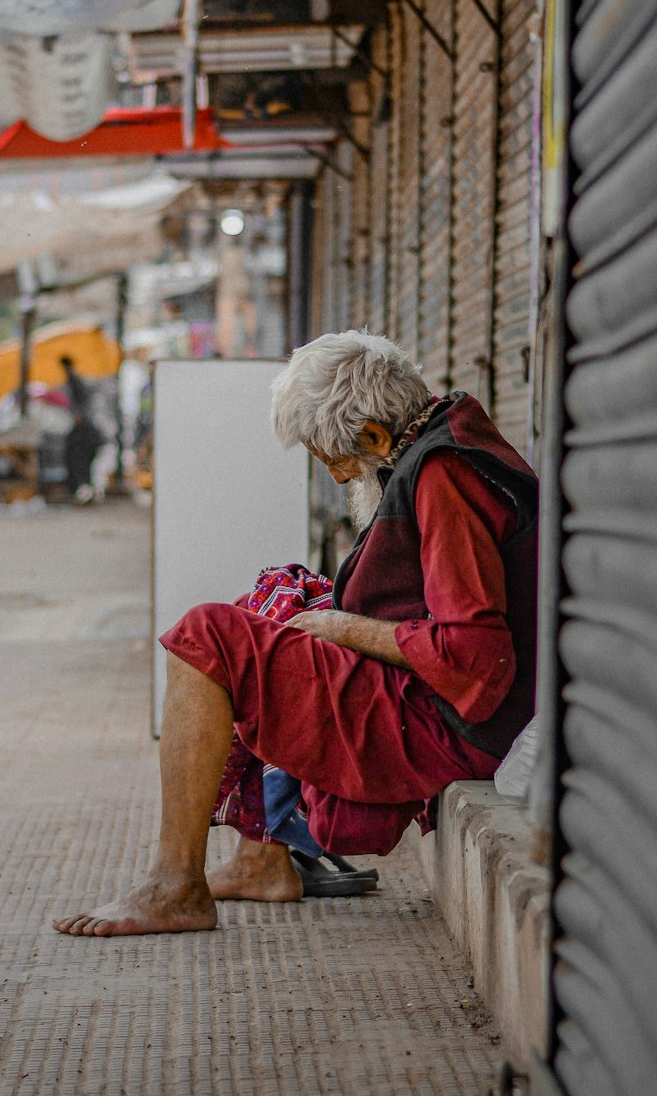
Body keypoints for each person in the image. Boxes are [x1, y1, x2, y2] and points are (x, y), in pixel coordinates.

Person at [53, 329, 538, 936]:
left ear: (374, 438)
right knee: (277, 598)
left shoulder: (445, 477)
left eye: (330, 456)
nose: (337, 477)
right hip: (449, 699)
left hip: (457, 723)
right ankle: (261, 859)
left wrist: (342, 627)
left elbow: (472, 657)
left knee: (206, 636)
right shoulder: (446, 441)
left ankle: (176, 885)